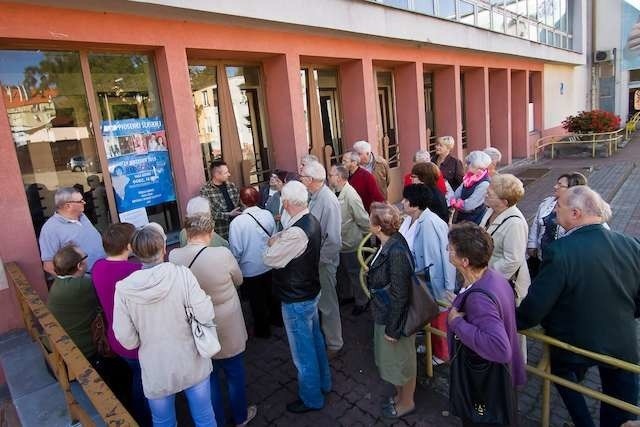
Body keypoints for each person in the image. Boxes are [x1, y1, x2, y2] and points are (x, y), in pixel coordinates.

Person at [517, 186, 640, 427]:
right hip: (622, 343)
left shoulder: (560, 251)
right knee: (622, 408)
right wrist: (624, 314)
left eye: (558, 207)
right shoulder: (632, 244)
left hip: (573, 342)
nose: (554, 213)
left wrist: (511, 321)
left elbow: (535, 307)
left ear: (575, 213)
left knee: (562, 375)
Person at [113, 223, 216, 427]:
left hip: (155, 366)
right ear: (163, 248)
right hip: (190, 359)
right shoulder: (182, 275)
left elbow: (127, 339)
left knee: (163, 422)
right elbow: (205, 313)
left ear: (134, 252)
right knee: (204, 416)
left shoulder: (124, 289)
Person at [169, 216, 257, 427]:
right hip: (227, 320)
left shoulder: (174, 256)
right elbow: (239, 280)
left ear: (187, 234)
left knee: (209, 377)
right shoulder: (222, 254)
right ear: (210, 234)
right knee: (235, 373)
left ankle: (215, 420)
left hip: (198, 324)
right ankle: (240, 416)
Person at [447, 223, 526, 427]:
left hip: (484, 382)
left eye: (451, 249)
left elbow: (500, 348)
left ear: (464, 261)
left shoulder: (479, 300)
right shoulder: (492, 277)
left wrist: (457, 323)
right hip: (499, 378)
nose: (447, 250)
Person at [263, 181, 331, 413]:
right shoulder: (310, 220)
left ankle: (312, 398)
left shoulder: (296, 232)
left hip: (296, 298)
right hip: (309, 291)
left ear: (286, 203)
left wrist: (273, 242)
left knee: (303, 354)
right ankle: (324, 382)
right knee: (316, 341)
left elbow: (270, 258)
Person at [91, 223, 150, 426]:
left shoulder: (97, 267)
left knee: (135, 376)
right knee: (142, 381)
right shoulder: (133, 270)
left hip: (114, 336)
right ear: (128, 245)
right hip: (135, 340)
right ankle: (142, 418)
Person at [366, 202, 416, 419]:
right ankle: (400, 396)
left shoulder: (395, 250)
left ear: (378, 227)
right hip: (385, 315)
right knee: (394, 362)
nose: (368, 221)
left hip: (394, 319)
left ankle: (407, 402)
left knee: (402, 362)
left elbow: (400, 294)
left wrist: (393, 329)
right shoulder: (389, 242)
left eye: (370, 219)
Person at [400, 185, 456, 362]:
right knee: (431, 317)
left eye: (406, 200)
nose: (402, 202)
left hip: (432, 282)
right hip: (426, 281)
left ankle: (442, 353)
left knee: (438, 318)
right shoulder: (416, 219)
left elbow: (432, 259)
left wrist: (441, 287)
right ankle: (433, 347)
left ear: (415, 205)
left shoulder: (428, 224)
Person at [300, 161, 344, 355]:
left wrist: (319, 261)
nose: (300, 179)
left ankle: (335, 343)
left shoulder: (327, 200)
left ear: (310, 180)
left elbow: (334, 239)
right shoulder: (315, 196)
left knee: (328, 305)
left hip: (323, 262)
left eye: (302, 176)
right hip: (317, 261)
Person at [228, 186, 280, 338]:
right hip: (268, 263)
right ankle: (277, 320)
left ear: (242, 202)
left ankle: (262, 330)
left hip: (250, 268)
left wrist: (235, 265)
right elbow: (274, 237)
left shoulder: (237, 223)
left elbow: (236, 249)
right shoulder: (267, 215)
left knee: (256, 301)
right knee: (271, 294)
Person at [479, 174, 530, 304]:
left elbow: (512, 260)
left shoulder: (515, 224)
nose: (485, 195)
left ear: (504, 202)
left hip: (501, 282)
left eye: (490, 194)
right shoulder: (491, 211)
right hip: (486, 277)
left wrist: (485, 274)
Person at [328, 165, 370, 315]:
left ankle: (362, 301)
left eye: (331, 175)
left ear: (339, 177)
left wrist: (366, 238)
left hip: (351, 242)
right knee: (342, 273)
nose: (329, 177)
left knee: (355, 273)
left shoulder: (351, 195)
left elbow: (362, 218)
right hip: (339, 243)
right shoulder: (333, 191)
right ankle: (347, 296)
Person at [47, 244, 100, 361]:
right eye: (85, 257)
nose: (87, 259)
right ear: (79, 265)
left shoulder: (60, 282)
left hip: (58, 350)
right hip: (79, 355)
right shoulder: (80, 285)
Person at [39, 187, 105, 276]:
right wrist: (79, 281)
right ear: (68, 206)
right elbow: (48, 266)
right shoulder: (50, 229)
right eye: (80, 201)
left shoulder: (82, 216)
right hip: (87, 279)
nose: (84, 203)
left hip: (105, 269)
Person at [527, 172, 588, 265]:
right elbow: (536, 225)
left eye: (560, 185)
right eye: (556, 184)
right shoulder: (547, 203)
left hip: (565, 260)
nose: (555, 187)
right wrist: (532, 244)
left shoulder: (580, 210)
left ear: (571, 189)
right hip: (543, 256)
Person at [200, 160, 241, 240]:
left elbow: (240, 204)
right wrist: (228, 214)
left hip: (238, 229)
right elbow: (207, 214)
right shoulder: (206, 190)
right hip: (222, 233)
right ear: (216, 174)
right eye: (226, 173)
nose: (229, 174)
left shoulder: (231, 186)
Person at [450, 151, 492, 224]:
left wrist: (458, 203)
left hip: (475, 219)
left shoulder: (484, 183)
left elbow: (470, 205)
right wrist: (454, 199)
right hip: (462, 217)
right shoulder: (469, 177)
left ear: (476, 166)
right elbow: (457, 193)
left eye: (468, 163)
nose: (466, 165)